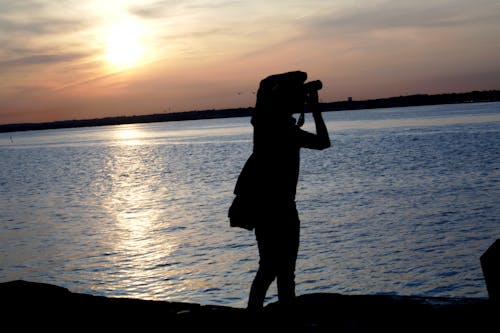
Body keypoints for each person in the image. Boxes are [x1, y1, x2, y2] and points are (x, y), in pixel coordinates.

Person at [231, 71, 331, 310]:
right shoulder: (268, 124)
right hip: (272, 210)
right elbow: (264, 84)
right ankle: (262, 316)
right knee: (274, 270)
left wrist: (307, 99)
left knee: (278, 270)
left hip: (282, 209)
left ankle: (270, 315)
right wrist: (299, 82)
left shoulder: (279, 127)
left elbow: (323, 143)